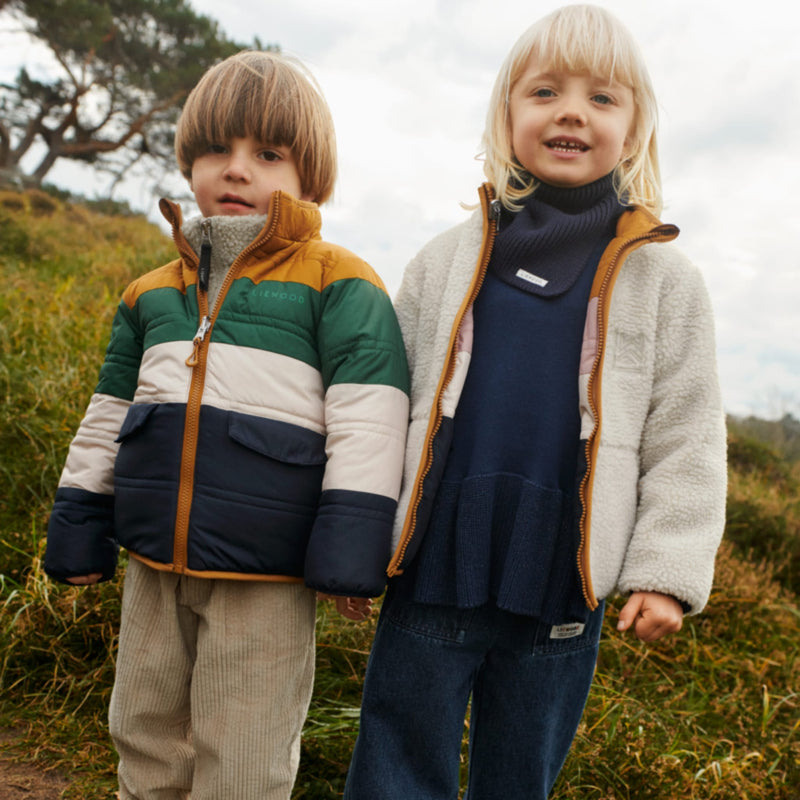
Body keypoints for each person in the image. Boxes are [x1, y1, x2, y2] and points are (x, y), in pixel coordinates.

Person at [344, 5, 727, 799]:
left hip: (563, 578)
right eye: (545, 91)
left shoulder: (666, 282)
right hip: (433, 564)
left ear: (636, 126)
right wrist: (353, 539)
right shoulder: (443, 261)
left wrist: (667, 569)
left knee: (519, 778)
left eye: (602, 97)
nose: (571, 112)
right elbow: (382, 408)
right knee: (395, 764)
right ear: (507, 114)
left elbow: (686, 435)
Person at [44, 50, 409, 800]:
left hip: (266, 573)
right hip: (152, 561)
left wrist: (351, 543)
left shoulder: (339, 282)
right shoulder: (151, 293)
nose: (237, 169)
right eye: (218, 149)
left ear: (310, 177)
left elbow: (370, 420)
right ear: (190, 162)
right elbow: (109, 413)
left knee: (244, 750)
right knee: (142, 727)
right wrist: (81, 515)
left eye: (268, 154)